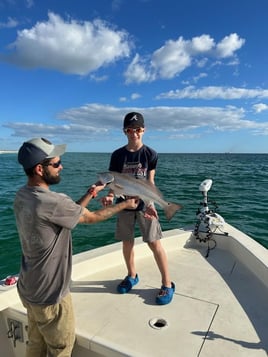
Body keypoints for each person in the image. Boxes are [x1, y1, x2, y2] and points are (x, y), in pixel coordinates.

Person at [14, 137, 138, 357]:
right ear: (40, 169)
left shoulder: (22, 195)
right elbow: (90, 218)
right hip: (51, 295)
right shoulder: (51, 201)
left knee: (35, 344)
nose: (61, 167)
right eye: (56, 164)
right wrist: (126, 204)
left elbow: (68, 214)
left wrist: (91, 193)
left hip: (28, 288)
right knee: (60, 349)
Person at [102, 112, 175, 305]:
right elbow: (113, 184)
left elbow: (150, 182)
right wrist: (110, 196)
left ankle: (167, 283)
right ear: (124, 131)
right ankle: (132, 276)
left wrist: (152, 204)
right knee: (127, 243)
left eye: (138, 129)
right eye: (129, 129)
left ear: (144, 130)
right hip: (124, 206)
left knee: (154, 243)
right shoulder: (117, 155)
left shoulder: (150, 154)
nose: (134, 133)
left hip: (144, 206)